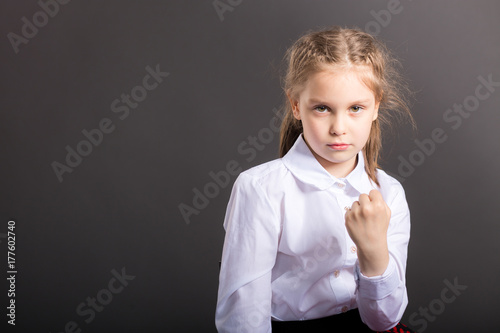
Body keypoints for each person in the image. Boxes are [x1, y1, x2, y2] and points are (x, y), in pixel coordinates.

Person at [215, 25, 416, 332]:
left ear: (376, 106)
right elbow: (243, 314)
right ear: (296, 105)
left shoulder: (389, 193)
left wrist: (374, 252)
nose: (339, 127)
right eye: (322, 108)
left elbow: (384, 320)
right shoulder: (261, 189)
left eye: (355, 108)